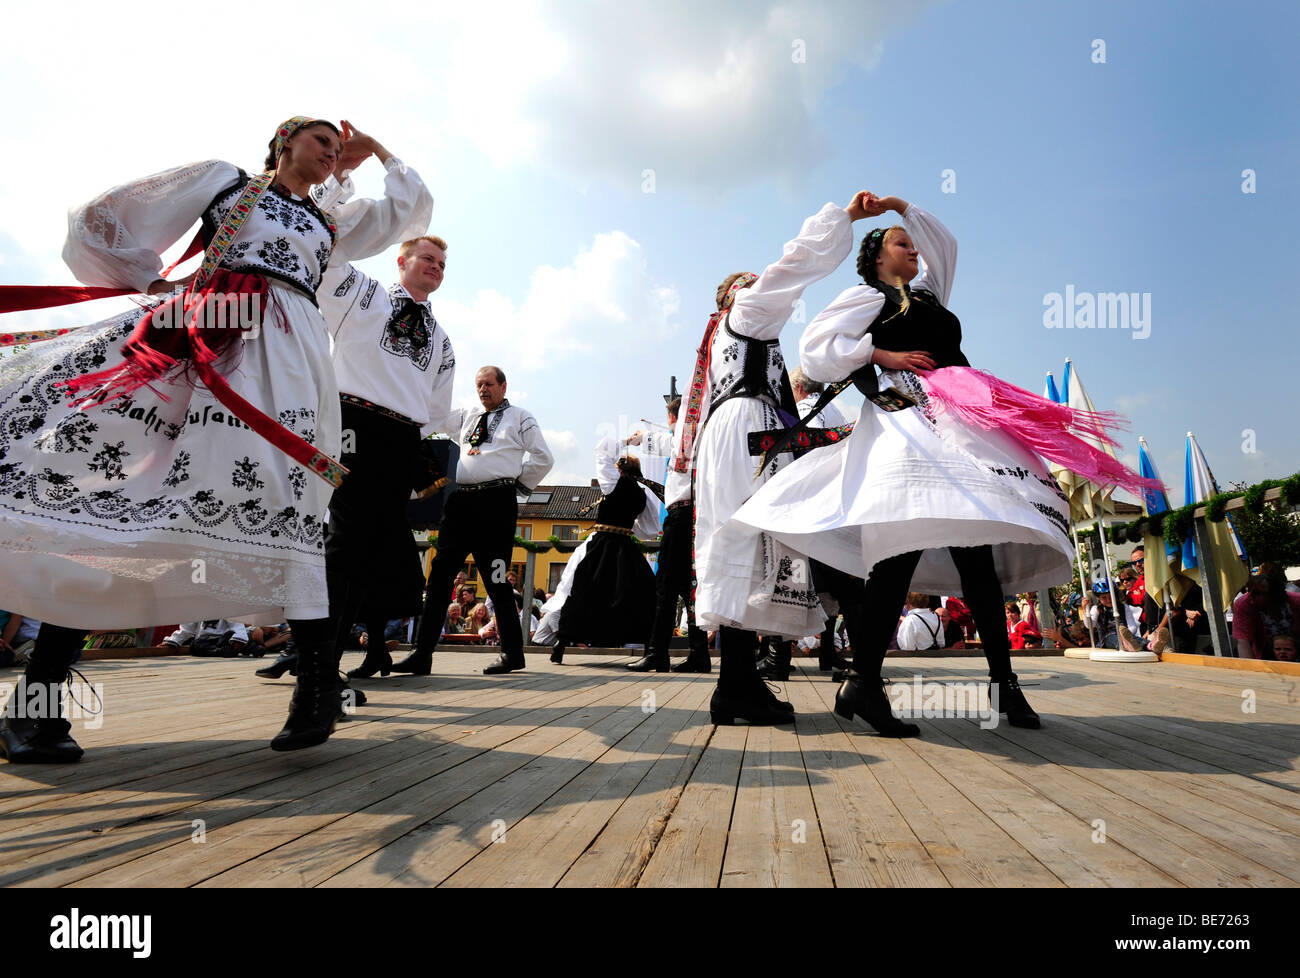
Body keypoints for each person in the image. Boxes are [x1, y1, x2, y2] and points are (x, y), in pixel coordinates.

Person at [0, 117, 430, 762]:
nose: (332, 152)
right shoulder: (225, 184)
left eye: (338, 148)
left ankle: (315, 689)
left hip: (288, 360)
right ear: (283, 142)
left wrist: (378, 154)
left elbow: (409, 210)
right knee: (127, 497)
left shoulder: (328, 224)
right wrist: (150, 284)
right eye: (322, 140)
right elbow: (100, 218)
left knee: (291, 502)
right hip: (200, 341)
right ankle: (38, 700)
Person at [729, 193, 1154, 734]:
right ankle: (868, 683)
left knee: (975, 552)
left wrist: (901, 208)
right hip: (906, 419)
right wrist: (880, 355)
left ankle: (994, 686)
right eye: (900, 245)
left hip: (961, 421)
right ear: (877, 260)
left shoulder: (928, 294)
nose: (911, 250)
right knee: (900, 550)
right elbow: (816, 349)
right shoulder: (869, 298)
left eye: (910, 244)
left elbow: (945, 246)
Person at [673, 190, 876, 726]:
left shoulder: (721, 338)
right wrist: (846, 218)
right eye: (750, 286)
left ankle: (735, 684)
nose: (764, 293)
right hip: (748, 431)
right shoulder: (747, 312)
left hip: (732, 434)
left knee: (741, 543)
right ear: (735, 296)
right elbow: (793, 265)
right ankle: (735, 685)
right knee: (754, 539)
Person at [311, 218, 456, 683]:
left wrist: (406, 430)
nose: (435, 267)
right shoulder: (364, 294)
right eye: (427, 258)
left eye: (441, 263)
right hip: (353, 422)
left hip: (401, 439)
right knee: (346, 537)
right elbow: (327, 259)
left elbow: (438, 406)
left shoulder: (443, 340)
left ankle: (331, 655)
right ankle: (319, 657)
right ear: (402, 261)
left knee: (368, 544)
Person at [391, 366, 553, 676]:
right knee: (440, 578)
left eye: (489, 384)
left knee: (495, 578)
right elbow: (433, 416)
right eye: (479, 385)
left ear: (503, 386)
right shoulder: (467, 415)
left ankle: (512, 653)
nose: (483, 390)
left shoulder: (520, 417)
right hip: (461, 502)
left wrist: (518, 485)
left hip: (495, 503)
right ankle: (422, 653)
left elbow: (543, 457)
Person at [545, 437, 661, 663]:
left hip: (599, 546)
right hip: (625, 549)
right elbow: (650, 530)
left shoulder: (611, 483)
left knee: (582, 590)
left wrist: (627, 440)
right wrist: (628, 525)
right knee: (636, 594)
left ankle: (562, 642)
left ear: (619, 469)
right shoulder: (643, 494)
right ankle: (649, 647)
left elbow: (601, 450)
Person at [627, 399, 711, 673]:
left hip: (682, 517)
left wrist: (643, 438)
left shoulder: (686, 438)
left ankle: (657, 653)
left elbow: (673, 440)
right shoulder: (698, 444)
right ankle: (699, 653)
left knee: (664, 585)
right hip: (693, 516)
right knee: (689, 587)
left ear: (676, 418)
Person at [1231, 565, 1300, 659]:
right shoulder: (1244, 604)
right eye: (1249, 591)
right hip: (1263, 656)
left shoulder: (1296, 602)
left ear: (1274, 593)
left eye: (1257, 593)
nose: (1250, 597)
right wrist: (1251, 670)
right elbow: (1243, 641)